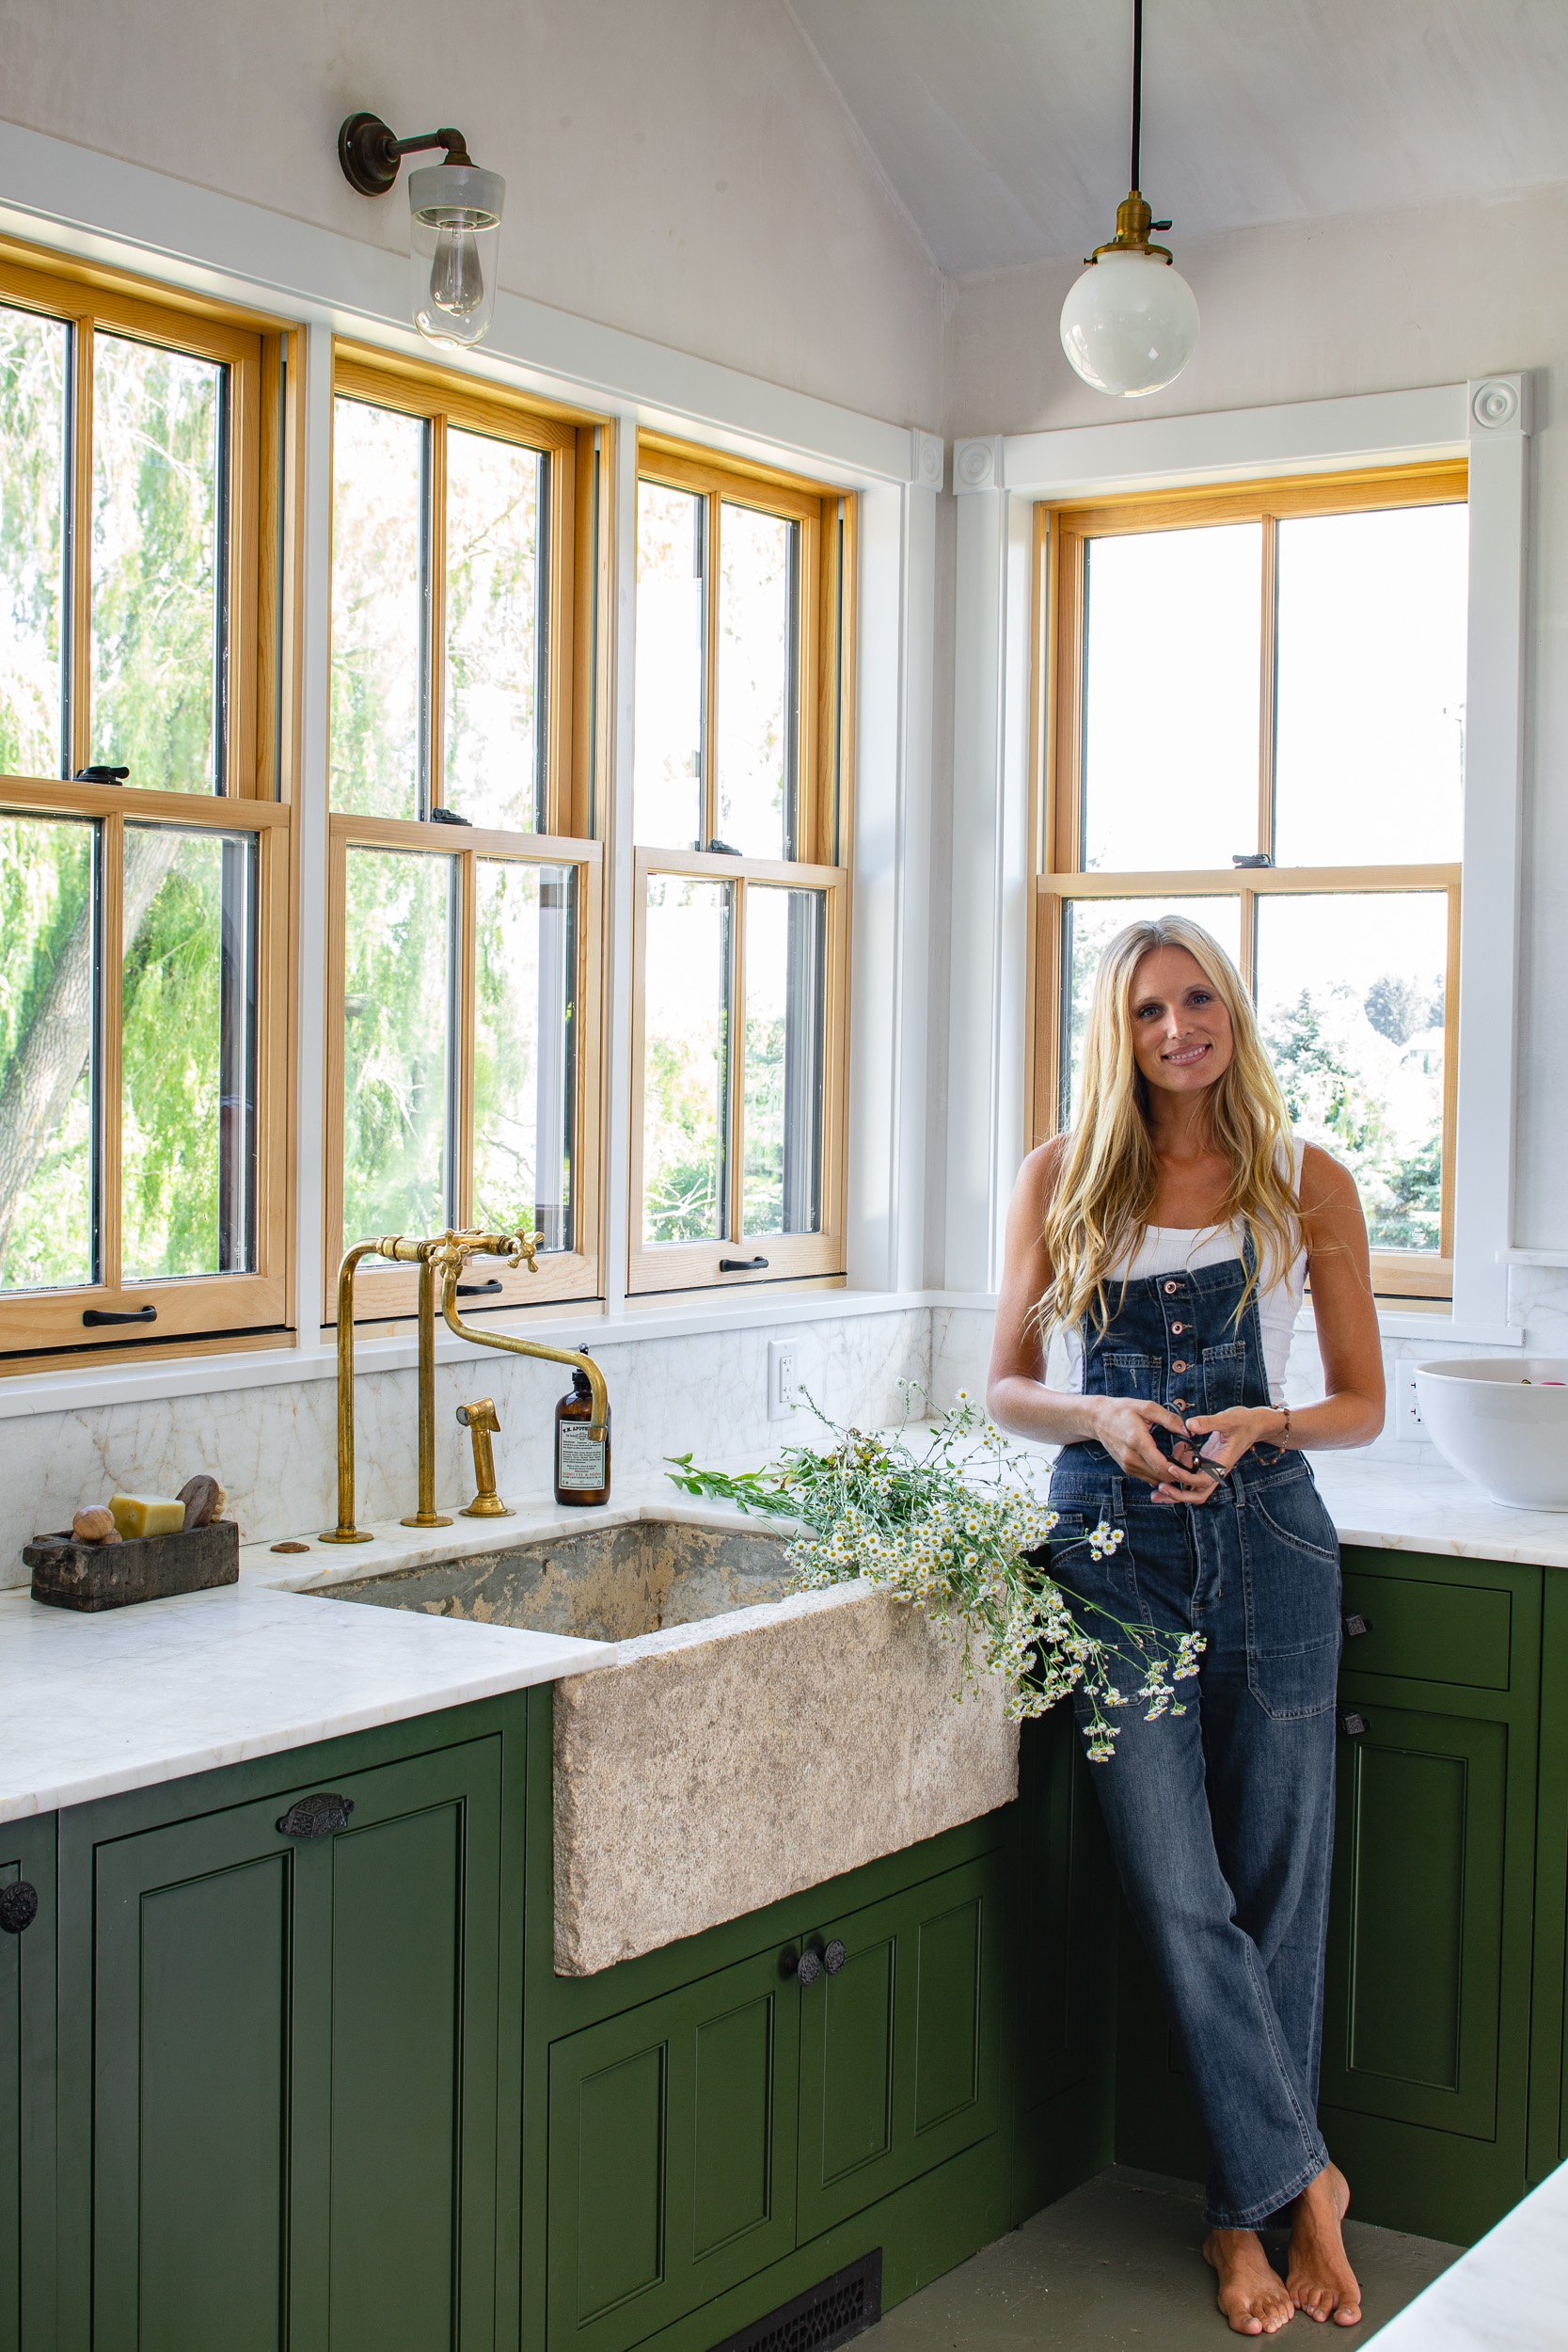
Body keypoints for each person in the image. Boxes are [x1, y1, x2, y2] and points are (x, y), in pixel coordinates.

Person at [988, 914, 1385, 2336]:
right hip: (1112, 1551)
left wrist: (1268, 1418)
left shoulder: (1303, 1178)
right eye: (1149, 1008)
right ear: (1120, 1027)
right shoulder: (1063, 1175)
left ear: (1231, 1009)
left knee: (1279, 1879)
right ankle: (1306, 2178)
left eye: (1197, 999)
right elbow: (1003, 1387)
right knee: (1178, 1888)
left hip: (1271, 1539)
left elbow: (1360, 1403)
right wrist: (1099, 1409)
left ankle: (1243, 2220)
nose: (1176, 1030)